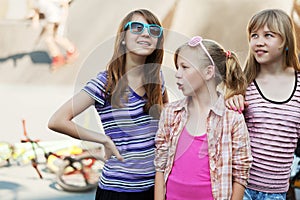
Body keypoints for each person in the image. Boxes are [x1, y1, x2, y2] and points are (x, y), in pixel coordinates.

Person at [48, 9, 168, 200]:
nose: (146, 33)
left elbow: (166, 122)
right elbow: (57, 120)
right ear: (123, 37)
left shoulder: (157, 78)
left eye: (154, 30)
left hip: (153, 188)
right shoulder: (106, 82)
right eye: (137, 28)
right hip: (117, 191)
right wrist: (103, 139)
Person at [154, 36, 253, 200]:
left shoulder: (232, 119)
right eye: (177, 67)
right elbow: (160, 165)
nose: (178, 74)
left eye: (185, 67)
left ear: (208, 72)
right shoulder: (171, 112)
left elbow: (241, 174)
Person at [225, 9, 300, 200]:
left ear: (285, 41)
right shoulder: (245, 82)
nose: (259, 42)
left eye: (268, 35)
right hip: (241, 188)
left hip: (277, 192)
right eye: (254, 35)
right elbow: (225, 131)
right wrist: (231, 102)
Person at [28, 0, 78, 69]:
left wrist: (63, 18)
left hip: (58, 18)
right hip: (50, 20)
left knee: (57, 38)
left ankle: (71, 51)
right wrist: (35, 20)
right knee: (49, 39)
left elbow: (64, 4)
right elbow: (37, 10)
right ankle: (58, 57)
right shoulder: (35, 2)